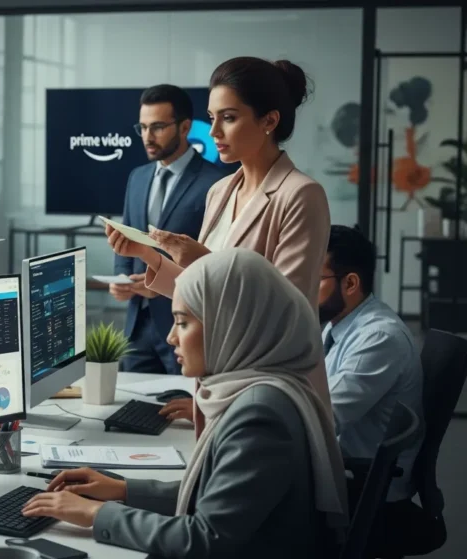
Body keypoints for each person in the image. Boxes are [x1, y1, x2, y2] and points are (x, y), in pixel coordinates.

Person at [22, 248, 347, 558]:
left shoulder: (259, 415)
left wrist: (96, 513)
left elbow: (204, 539)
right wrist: (122, 489)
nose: (171, 338)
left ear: (229, 325)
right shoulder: (259, 390)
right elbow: (216, 495)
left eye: (183, 322)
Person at [107, 57, 333, 414]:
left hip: (268, 389)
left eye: (228, 118)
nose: (213, 133)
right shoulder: (221, 191)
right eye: (212, 119)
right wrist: (150, 255)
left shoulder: (301, 195)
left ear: (269, 121)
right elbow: (200, 292)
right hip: (219, 378)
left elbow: (287, 315)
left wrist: (202, 260)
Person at [319, 225, 433, 555]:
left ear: (350, 283)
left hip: (365, 490)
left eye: (313, 276)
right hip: (345, 473)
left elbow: (325, 418)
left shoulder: (378, 338)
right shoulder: (338, 326)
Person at [113, 84, 225, 375]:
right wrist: (122, 281)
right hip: (137, 326)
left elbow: (217, 260)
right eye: (143, 127)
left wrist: (159, 286)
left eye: (158, 127)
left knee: (182, 412)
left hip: (187, 325)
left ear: (185, 127)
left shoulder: (216, 183)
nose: (148, 137)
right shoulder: (137, 178)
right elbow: (125, 240)